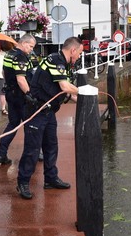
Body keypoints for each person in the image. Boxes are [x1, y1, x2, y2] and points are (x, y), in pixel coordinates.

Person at [16, 36, 82, 199]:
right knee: (32, 150)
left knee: (51, 146)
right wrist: (85, 92)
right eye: (79, 53)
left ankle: (50, 178)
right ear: (73, 50)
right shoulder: (56, 60)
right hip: (36, 111)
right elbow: (65, 86)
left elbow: (65, 91)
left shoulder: (63, 64)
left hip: (48, 111)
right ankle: (23, 182)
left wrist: (83, 99)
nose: (79, 56)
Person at [0, 34, 36, 165]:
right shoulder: (20, 57)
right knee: (30, 125)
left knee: (12, 125)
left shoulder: (9, 54)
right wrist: (30, 95)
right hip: (21, 97)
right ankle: (31, 156)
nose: (31, 50)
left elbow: (3, 73)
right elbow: (21, 79)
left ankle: (1, 154)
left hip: (10, 95)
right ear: (24, 43)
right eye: (30, 46)